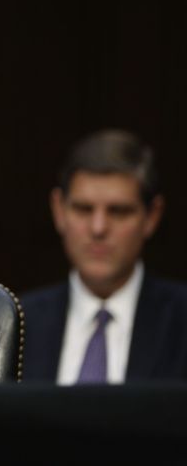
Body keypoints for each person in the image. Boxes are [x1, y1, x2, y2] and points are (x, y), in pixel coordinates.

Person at [21, 129, 187, 384]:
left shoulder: (180, 320)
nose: (98, 228)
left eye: (119, 211)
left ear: (152, 216)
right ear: (59, 210)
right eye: (83, 209)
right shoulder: (16, 323)